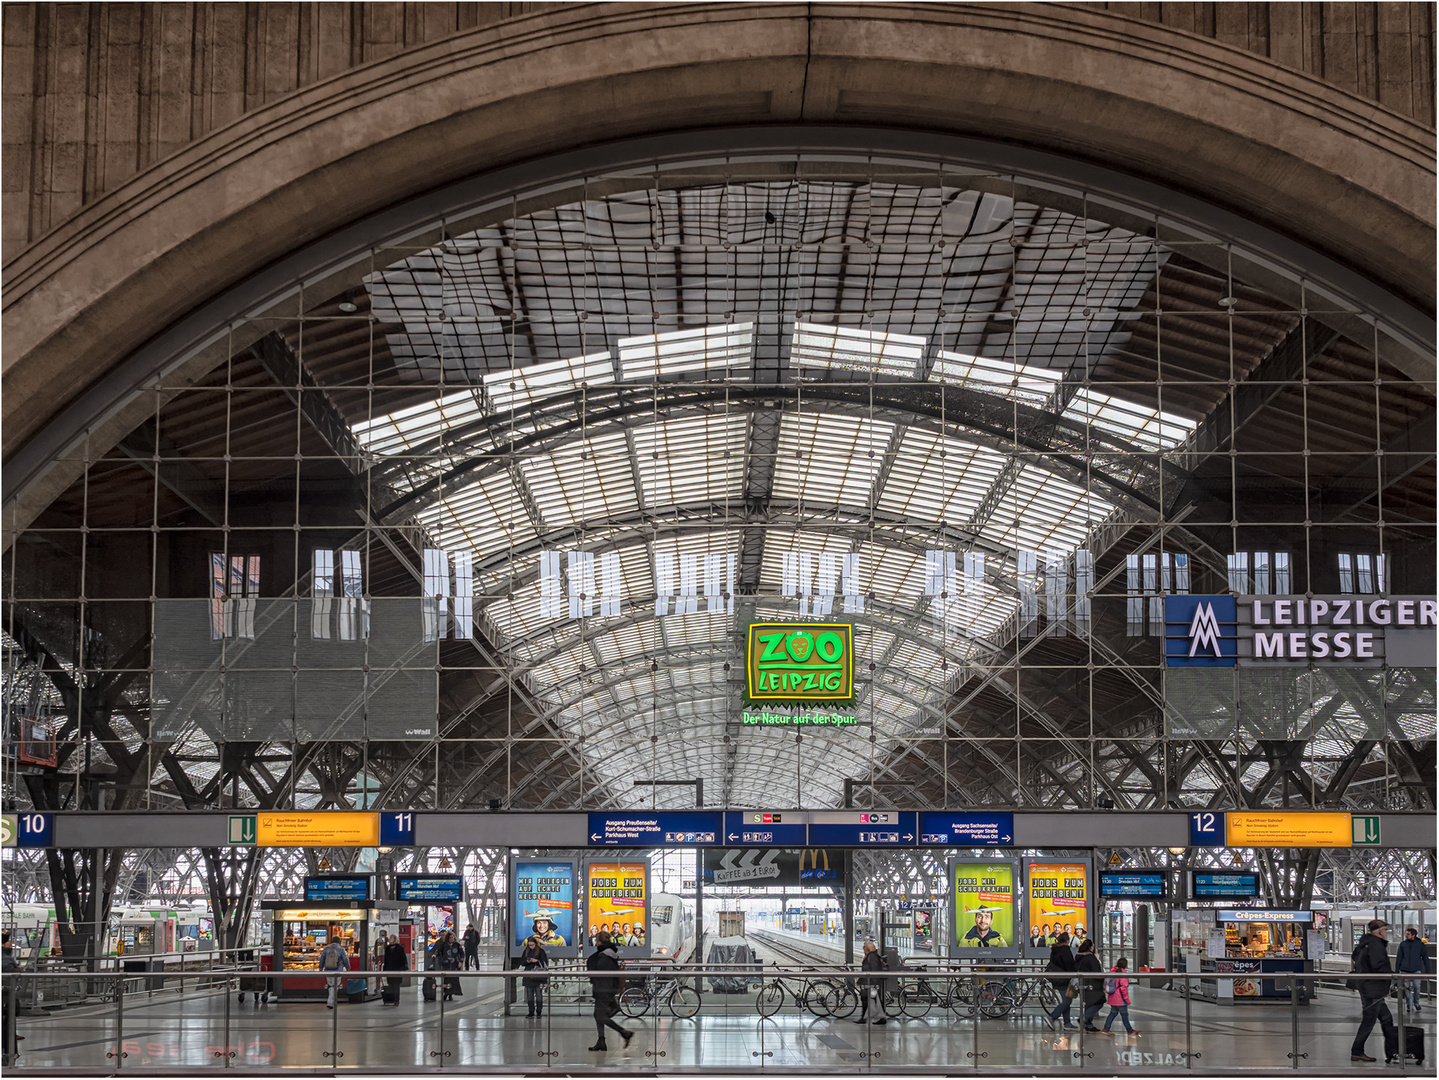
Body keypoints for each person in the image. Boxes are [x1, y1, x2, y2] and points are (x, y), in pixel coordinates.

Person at [1351, 919, 1400, 1064]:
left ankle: (1393, 1052)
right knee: (1369, 1020)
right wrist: (1394, 975)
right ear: (1379, 931)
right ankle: (1357, 1051)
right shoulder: (1376, 945)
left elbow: (1354, 957)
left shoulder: (1364, 943)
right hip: (1374, 989)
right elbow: (1378, 965)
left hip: (1367, 987)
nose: (1386, 933)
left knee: (1386, 1019)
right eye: (1385, 930)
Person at [585, 931, 634, 1052]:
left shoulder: (604, 956)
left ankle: (624, 1032)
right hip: (606, 988)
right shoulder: (609, 954)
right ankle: (601, 1041)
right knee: (598, 1015)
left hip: (603, 989)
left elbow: (600, 972)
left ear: (599, 941)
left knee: (600, 1016)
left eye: (597, 940)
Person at [1044, 932, 1079, 1030]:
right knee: (1067, 1001)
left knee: (1066, 1000)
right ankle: (1052, 1017)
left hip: (1057, 978)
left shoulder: (1054, 949)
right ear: (1067, 940)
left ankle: (1067, 1023)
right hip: (1065, 978)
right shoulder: (1065, 950)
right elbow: (1069, 964)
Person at [1099, 957, 1139, 1036]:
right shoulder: (1123, 974)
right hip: (1120, 999)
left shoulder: (1112, 971)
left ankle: (1106, 1029)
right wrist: (1127, 999)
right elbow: (1123, 988)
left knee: (1112, 1013)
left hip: (1112, 997)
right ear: (1125, 965)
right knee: (1124, 1015)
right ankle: (1129, 1030)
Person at [1396, 927, 1429, 1015]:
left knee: (1417, 987)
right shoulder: (1403, 944)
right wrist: (1397, 970)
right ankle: (1409, 1005)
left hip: (1416, 970)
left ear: (1413, 935)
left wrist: (1428, 971)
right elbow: (1399, 957)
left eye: (1408, 934)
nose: (1406, 935)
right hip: (1405, 970)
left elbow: (1425, 957)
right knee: (1407, 989)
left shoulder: (1420, 945)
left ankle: (1416, 1002)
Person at [1075, 938, 1106, 1031]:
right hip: (1093, 984)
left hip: (1083, 983)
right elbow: (1097, 972)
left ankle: (1089, 1025)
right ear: (1091, 947)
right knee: (1099, 1002)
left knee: (1089, 1003)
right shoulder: (1090, 958)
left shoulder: (1078, 957)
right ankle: (1084, 1018)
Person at [855, 940, 888, 1025]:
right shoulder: (871, 956)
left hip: (870, 983)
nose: (863, 949)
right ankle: (865, 1017)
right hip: (868, 982)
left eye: (864, 947)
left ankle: (879, 1018)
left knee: (872, 1000)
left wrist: (875, 985)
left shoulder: (872, 957)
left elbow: (874, 971)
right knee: (868, 999)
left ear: (867, 949)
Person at [519, 934, 550, 1018]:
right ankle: (531, 1011)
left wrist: (536, 961)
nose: (531, 947)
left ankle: (539, 1012)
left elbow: (544, 963)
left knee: (539, 994)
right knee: (529, 994)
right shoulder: (526, 951)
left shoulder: (541, 951)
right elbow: (522, 962)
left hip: (538, 976)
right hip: (528, 975)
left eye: (532, 945)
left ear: (536, 944)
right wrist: (527, 961)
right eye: (529, 945)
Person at [3, 930, 21, 1065]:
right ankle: (9, 1052)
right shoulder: (6, 959)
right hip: (6, 995)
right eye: (8, 946)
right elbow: (8, 969)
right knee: (8, 1024)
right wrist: (18, 970)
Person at [318, 936, 350, 1009]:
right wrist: (348, 968)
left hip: (328, 970)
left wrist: (320, 968)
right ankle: (330, 1002)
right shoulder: (341, 949)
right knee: (335, 986)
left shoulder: (326, 949)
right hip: (337, 971)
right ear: (339, 941)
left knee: (331, 985)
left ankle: (332, 1001)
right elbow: (345, 959)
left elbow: (322, 958)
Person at [437, 930, 464, 1001]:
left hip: (455, 966)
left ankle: (450, 994)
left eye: (452, 937)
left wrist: (460, 961)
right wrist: (434, 955)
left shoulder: (457, 945)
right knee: (446, 980)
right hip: (446, 965)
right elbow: (439, 951)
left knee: (453, 980)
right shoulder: (444, 945)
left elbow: (462, 954)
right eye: (450, 937)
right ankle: (446, 993)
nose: (452, 938)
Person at [382, 936, 408, 1006]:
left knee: (396, 986)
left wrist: (404, 967)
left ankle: (396, 1000)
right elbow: (386, 959)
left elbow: (403, 959)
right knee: (390, 985)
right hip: (389, 969)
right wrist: (385, 969)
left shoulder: (399, 948)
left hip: (397, 969)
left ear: (394, 939)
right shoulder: (387, 948)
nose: (390, 940)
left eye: (391, 938)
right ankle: (391, 999)